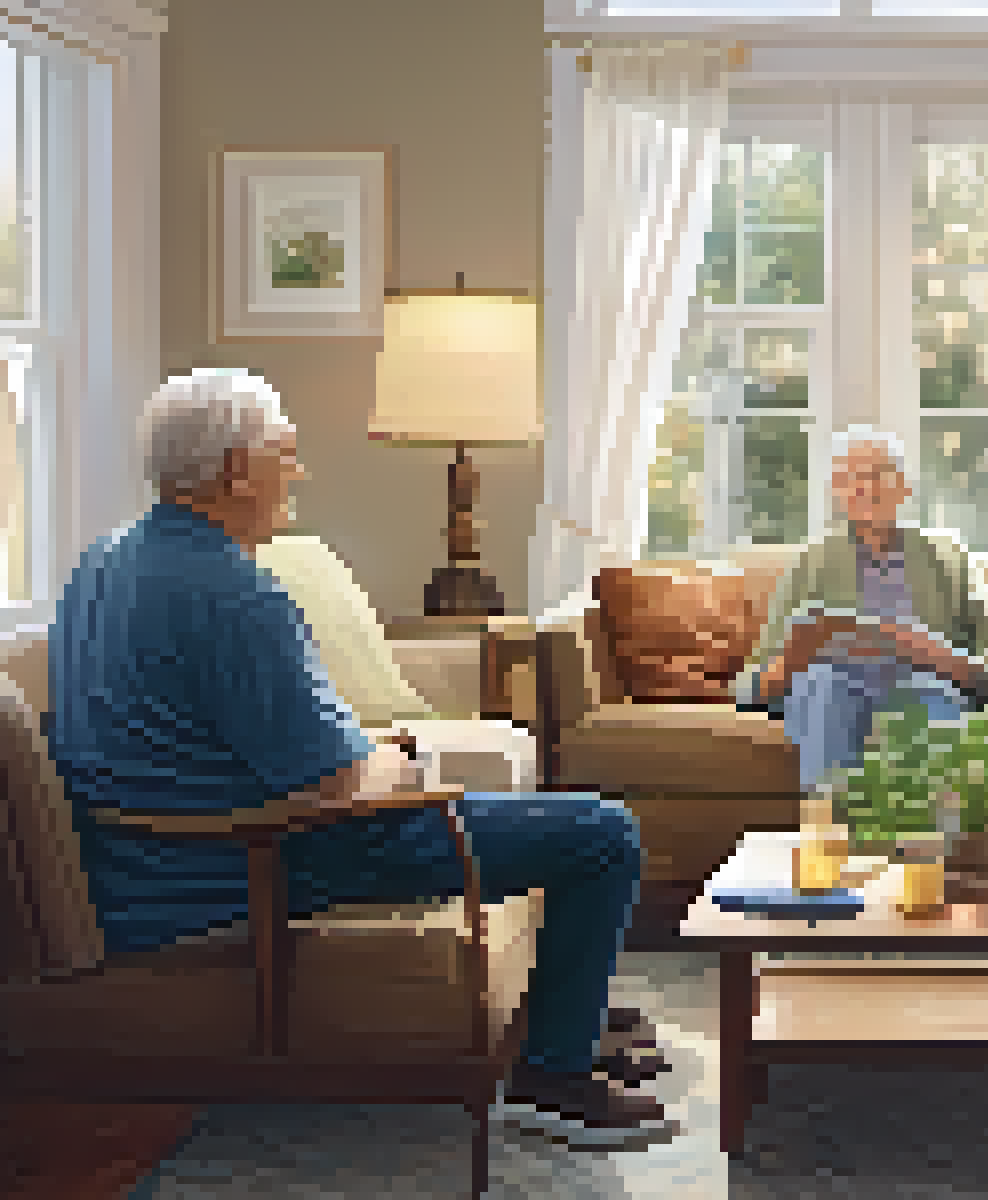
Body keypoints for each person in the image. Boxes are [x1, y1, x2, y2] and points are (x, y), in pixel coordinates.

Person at [47, 370, 677, 1148]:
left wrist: (372, 753)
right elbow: (337, 783)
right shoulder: (237, 593)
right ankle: (550, 1081)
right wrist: (401, 760)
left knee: (531, 812)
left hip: (146, 861)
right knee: (601, 834)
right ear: (236, 470)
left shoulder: (101, 561)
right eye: (286, 450)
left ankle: (566, 1014)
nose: (300, 470)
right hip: (247, 866)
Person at [734, 426, 988, 790]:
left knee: (932, 697)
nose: (866, 487)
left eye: (878, 474)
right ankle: (831, 826)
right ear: (838, 491)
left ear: (903, 486)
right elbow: (753, 684)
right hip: (834, 685)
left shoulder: (948, 557)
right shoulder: (812, 561)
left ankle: (930, 834)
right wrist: (794, 659)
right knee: (823, 685)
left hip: (923, 683)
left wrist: (939, 656)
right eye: (851, 477)